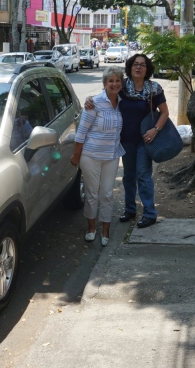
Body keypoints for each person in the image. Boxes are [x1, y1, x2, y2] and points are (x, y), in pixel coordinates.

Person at [85, 54, 169, 228]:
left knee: (143, 176)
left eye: (142, 65)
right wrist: (89, 100)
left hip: (145, 140)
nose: (138, 68)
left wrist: (155, 130)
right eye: (135, 64)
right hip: (125, 141)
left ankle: (149, 213)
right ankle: (130, 209)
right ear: (130, 67)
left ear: (147, 69)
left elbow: (164, 113)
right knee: (128, 176)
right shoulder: (123, 87)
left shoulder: (154, 89)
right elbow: (107, 94)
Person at [71, 66, 125, 246]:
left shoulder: (123, 102)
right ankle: (91, 228)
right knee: (92, 193)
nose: (114, 84)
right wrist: (76, 155)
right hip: (91, 156)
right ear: (104, 84)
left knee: (107, 193)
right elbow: (81, 132)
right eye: (111, 81)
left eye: (118, 80)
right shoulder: (94, 103)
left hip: (112, 155)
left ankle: (106, 229)